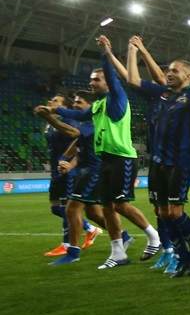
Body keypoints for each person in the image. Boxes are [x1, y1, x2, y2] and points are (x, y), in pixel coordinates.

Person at [53, 36, 161, 268]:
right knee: (107, 207)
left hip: (122, 158)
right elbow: (79, 116)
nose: (92, 83)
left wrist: (106, 53)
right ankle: (118, 253)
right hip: (105, 160)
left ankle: (154, 236)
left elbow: (113, 78)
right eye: (91, 80)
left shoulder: (117, 99)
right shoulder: (99, 104)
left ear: (108, 82)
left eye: (96, 79)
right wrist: (56, 110)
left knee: (120, 205)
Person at [120, 37, 190, 277]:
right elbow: (132, 79)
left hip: (179, 161)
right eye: (168, 70)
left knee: (175, 212)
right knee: (162, 213)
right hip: (157, 163)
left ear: (187, 76)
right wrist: (132, 50)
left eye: (174, 70)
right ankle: (181, 256)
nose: (169, 73)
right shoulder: (161, 94)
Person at [36, 94, 102, 257]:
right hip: (57, 168)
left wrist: (69, 161)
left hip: (71, 169)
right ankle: (91, 229)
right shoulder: (51, 124)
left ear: (65, 107)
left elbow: (75, 138)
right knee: (56, 207)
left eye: (56, 101)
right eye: (51, 100)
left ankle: (67, 245)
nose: (51, 102)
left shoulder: (70, 122)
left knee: (70, 207)